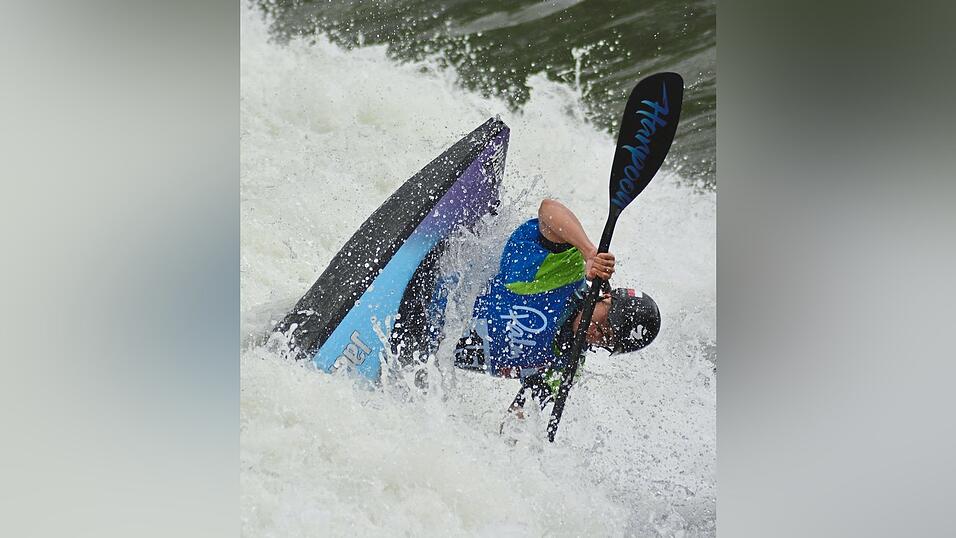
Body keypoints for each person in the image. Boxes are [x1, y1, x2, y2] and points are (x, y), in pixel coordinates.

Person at [453, 198, 661, 413]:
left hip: (431, 348)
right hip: (436, 285)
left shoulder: (566, 366)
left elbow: (521, 413)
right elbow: (548, 210)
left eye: (605, 339)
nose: (595, 334)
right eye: (604, 324)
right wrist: (589, 252)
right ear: (606, 297)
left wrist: (516, 425)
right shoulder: (564, 272)